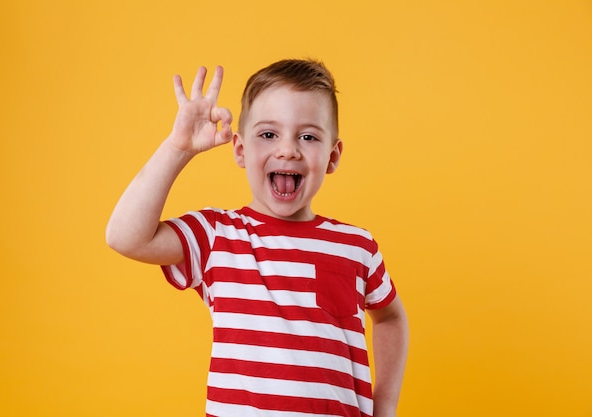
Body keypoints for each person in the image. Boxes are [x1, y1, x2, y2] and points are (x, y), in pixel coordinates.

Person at [106, 59, 409, 417]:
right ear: (240, 150)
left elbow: (390, 318)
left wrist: (385, 405)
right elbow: (125, 237)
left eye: (308, 136)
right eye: (268, 134)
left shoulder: (357, 247)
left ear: (333, 155)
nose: (288, 150)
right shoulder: (217, 237)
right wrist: (178, 148)